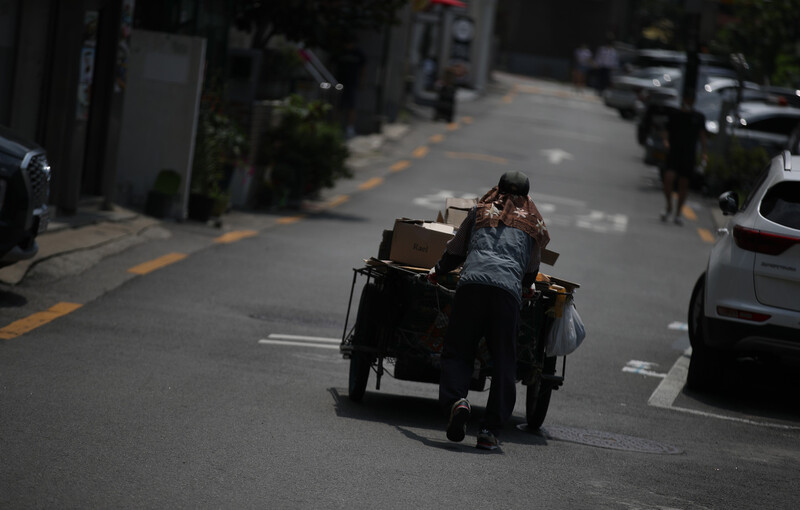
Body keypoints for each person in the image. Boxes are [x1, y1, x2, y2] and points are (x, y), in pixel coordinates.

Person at [427, 171, 550, 450]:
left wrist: (437, 270)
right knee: (505, 360)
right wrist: (526, 286)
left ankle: (457, 401)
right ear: (527, 196)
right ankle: (490, 431)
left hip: (471, 287)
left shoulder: (480, 210)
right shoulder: (533, 223)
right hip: (506, 294)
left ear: (498, 188)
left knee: (458, 350)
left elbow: (456, 250)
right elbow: (531, 270)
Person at [660, 93, 707, 225]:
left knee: (683, 184)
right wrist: (665, 141)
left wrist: (704, 152)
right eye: (687, 98)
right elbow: (665, 129)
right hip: (674, 153)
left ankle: (678, 213)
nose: (689, 101)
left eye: (691, 99)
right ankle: (669, 206)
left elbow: (703, 135)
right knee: (668, 179)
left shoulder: (698, 117)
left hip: (688, 154)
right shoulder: (675, 115)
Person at [334, 36, 366, 139]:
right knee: (339, 106)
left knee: (351, 107)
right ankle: (336, 127)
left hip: (352, 83)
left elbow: (363, 68)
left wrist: (361, 82)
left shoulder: (358, 54)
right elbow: (331, 63)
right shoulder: (341, 52)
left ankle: (350, 128)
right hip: (339, 83)